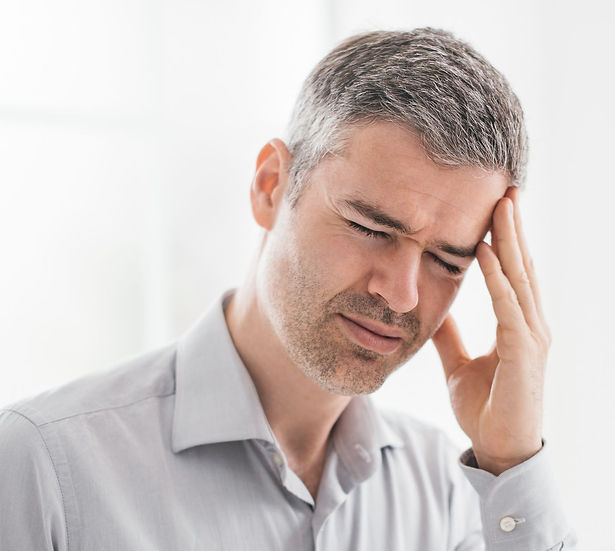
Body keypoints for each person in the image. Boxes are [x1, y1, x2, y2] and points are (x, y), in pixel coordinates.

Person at [0, 28, 574, 550]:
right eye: (370, 228)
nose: (400, 295)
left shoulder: (453, 501)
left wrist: (512, 460)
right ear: (271, 186)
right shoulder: (47, 466)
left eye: (448, 261)